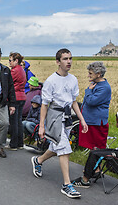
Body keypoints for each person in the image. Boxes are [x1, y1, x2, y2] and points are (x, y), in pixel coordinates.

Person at [31, 48, 88, 199]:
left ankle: (38, 160)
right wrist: (42, 126)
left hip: (68, 116)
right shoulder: (51, 81)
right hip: (55, 116)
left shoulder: (73, 79)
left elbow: (74, 101)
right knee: (64, 147)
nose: (69, 61)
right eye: (65, 59)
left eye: (70, 58)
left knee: (57, 147)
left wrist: (82, 119)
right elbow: (44, 104)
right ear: (58, 62)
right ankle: (67, 185)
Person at [71, 110, 118, 188]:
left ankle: (85, 180)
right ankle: (90, 173)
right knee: (95, 151)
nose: (116, 124)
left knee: (94, 154)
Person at [78, 61, 111, 150]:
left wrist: (88, 90)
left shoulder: (104, 88)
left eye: (90, 73)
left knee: (97, 148)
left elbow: (91, 101)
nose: (88, 75)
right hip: (91, 121)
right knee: (92, 147)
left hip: (96, 123)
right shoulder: (96, 84)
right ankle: (93, 163)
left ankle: (97, 164)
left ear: (98, 74)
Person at [7, 52, 27, 150]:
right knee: (19, 121)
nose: (9, 62)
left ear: (16, 61)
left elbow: (8, 82)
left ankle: (13, 144)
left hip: (15, 97)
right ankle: (20, 143)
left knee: (13, 122)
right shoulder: (22, 69)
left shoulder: (14, 71)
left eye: (10, 60)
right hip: (22, 96)